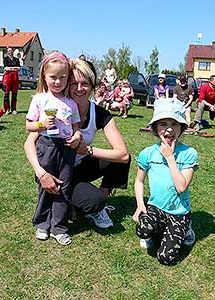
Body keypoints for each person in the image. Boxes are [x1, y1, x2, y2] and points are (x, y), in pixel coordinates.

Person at [24, 58, 130, 235]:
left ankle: (98, 204)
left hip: (79, 165)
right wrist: (41, 173)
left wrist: (86, 150)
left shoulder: (99, 112)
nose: (79, 89)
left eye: (85, 84)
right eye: (74, 83)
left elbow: (123, 155)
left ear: (92, 86)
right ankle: (74, 206)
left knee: (118, 161)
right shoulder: (55, 107)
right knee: (91, 200)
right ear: (67, 84)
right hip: (52, 169)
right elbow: (28, 144)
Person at [133, 98, 198, 265]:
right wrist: (141, 204)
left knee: (166, 258)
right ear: (155, 128)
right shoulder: (147, 153)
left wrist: (170, 157)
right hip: (157, 208)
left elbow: (181, 187)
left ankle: (185, 228)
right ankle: (158, 230)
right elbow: (139, 181)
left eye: (174, 124)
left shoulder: (189, 154)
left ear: (182, 128)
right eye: (163, 124)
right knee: (143, 229)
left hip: (179, 212)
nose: (169, 129)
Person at [25, 52, 81, 246]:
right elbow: (29, 126)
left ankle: (59, 227)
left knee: (63, 187)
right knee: (46, 186)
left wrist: (77, 136)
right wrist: (41, 124)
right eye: (53, 77)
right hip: (46, 146)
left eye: (62, 77)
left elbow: (75, 127)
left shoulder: (71, 103)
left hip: (66, 149)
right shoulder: (40, 99)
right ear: (44, 77)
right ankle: (42, 223)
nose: (58, 82)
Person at [2, 46, 20, 115]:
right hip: (7, 78)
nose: (10, 52)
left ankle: (14, 109)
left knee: (14, 94)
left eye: (11, 50)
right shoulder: (5, 59)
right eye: (9, 51)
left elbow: (18, 68)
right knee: (6, 94)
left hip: (15, 78)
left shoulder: (16, 59)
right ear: (7, 52)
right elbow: (6, 68)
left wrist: (11, 68)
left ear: (13, 51)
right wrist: (14, 68)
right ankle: (7, 109)